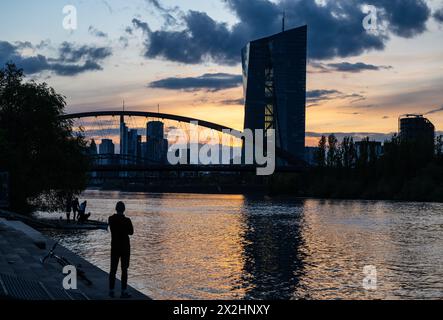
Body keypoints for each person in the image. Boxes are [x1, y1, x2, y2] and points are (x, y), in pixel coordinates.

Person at [108, 201, 134, 298]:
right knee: (124, 270)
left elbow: (113, 229)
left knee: (113, 269)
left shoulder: (111, 219)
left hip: (115, 247)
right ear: (124, 209)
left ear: (116, 208)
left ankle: (111, 290)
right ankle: (123, 291)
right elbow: (131, 232)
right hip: (125, 248)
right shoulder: (127, 220)